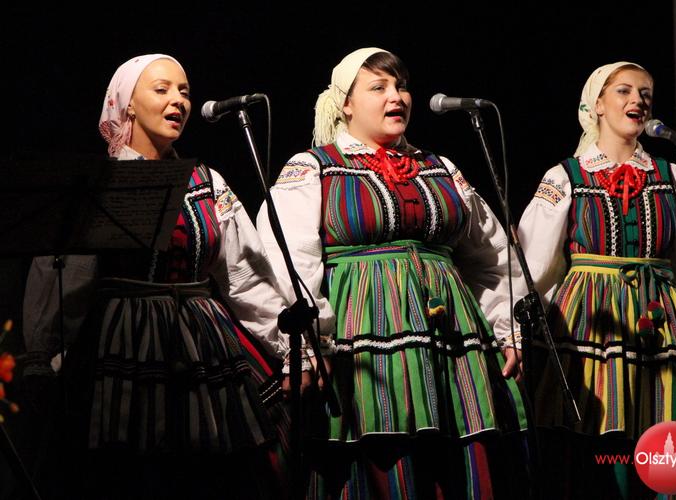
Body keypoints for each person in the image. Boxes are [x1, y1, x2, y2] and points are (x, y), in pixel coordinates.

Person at [257, 47, 528, 499]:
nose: (396, 96)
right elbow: (290, 258)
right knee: (383, 458)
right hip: (363, 335)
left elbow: (492, 256)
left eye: (401, 86)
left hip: (449, 338)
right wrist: (309, 343)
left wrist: (508, 327)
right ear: (346, 103)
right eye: (378, 87)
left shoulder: (440, 168)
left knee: (456, 458)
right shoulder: (315, 167)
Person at [23, 54, 291, 499]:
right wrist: (43, 356)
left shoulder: (207, 181)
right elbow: (66, 279)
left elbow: (245, 276)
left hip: (202, 343)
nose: (178, 101)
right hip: (120, 342)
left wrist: (288, 346)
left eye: (184, 92)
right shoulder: (100, 182)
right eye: (162, 89)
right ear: (128, 103)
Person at [517, 61, 676, 498]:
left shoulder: (671, 176)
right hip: (589, 327)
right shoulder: (565, 177)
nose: (638, 101)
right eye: (624, 91)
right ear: (597, 104)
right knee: (595, 447)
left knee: (669, 438)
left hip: (661, 324)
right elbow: (535, 267)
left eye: (645, 94)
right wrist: (520, 339)